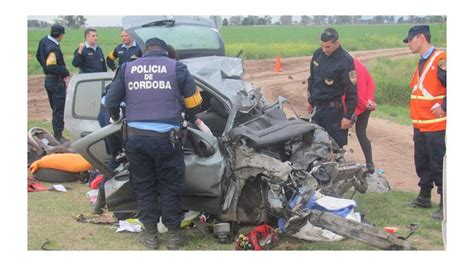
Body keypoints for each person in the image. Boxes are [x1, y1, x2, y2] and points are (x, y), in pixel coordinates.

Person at [104, 38, 203, 250]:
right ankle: (174, 237)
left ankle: (150, 235)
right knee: (170, 185)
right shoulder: (177, 67)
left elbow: (110, 102)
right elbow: (195, 102)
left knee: (143, 185)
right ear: (165, 51)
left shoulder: (127, 68)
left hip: (136, 139)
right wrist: (187, 116)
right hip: (168, 139)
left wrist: (115, 117)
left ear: (144, 51)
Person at [404, 25, 446, 220]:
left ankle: (446, 204)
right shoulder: (422, 61)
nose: (408, 44)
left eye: (410, 40)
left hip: (437, 124)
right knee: (422, 162)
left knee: (439, 165)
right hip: (420, 123)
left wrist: (445, 105)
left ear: (421, 38)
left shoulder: (440, 59)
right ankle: (424, 197)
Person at [307, 28, 358, 148]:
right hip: (317, 109)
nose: (324, 50)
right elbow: (312, 78)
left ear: (337, 43)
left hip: (333, 111)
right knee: (314, 144)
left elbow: (352, 91)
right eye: (322, 46)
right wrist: (311, 101)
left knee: (333, 146)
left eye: (328, 47)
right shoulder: (318, 54)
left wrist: (347, 116)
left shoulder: (345, 60)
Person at [36, 24, 70, 142]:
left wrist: (44, 67)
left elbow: (38, 56)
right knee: (58, 110)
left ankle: (57, 134)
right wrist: (65, 72)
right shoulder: (53, 47)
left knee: (55, 109)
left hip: (49, 80)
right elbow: (51, 66)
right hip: (56, 81)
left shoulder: (43, 41)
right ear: (60, 35)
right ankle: (58, 137)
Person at [353, 58, 377, 174]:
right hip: (365, 105)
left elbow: (350, 91)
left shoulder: (345, 66)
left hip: (353, 106)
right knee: (361, 133)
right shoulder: (359, 64)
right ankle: (369, 164)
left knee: (339, 133)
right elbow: (370, 82)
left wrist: (364, 103)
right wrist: (369, 100)